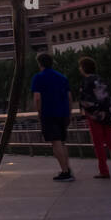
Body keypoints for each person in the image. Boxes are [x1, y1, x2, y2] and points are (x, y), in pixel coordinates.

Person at [32, 53, 74, 181]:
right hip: (63, 113)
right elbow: (69, 97)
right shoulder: (62, 77)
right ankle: (67, 168)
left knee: (55, 143)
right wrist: (69, 113)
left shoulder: (38, 77)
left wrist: (39, 112)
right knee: (62, 142)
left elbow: (38, 98)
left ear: (40, 63)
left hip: (48, 113)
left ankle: (65, 172)